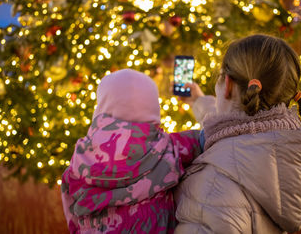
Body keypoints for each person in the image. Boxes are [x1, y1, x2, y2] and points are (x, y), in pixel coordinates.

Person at [175, 34, 301, 233]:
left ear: (228, 84)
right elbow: (234, 119)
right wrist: (197, 100)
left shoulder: (213, 186)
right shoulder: (289, 149)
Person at [61, 69, 201, 234]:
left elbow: (73, 218)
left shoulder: (78, 163)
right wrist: (200, 100)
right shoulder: (172, 147)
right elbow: (214, 134)